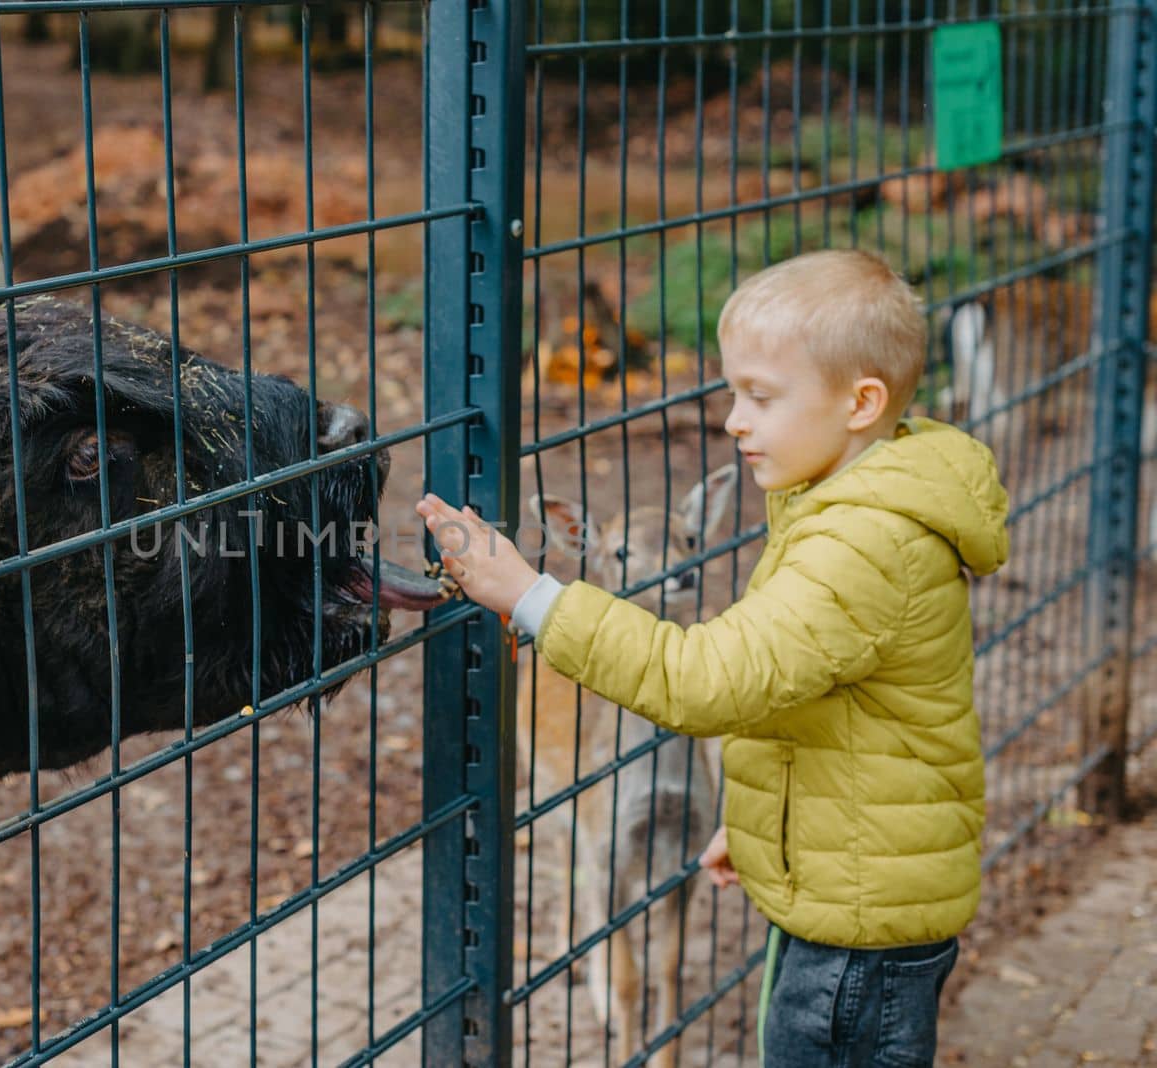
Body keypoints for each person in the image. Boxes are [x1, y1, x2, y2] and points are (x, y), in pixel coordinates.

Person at [415, 248, 1009, 1067]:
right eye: (735, 393)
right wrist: (763, 820)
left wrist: (531, 596)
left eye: (760, 397)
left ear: (860, 404)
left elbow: (707, 681)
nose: (732, 419)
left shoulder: (863, 542)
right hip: (855, 893)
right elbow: (820, 698)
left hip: (861, 931)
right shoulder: (847, 504)